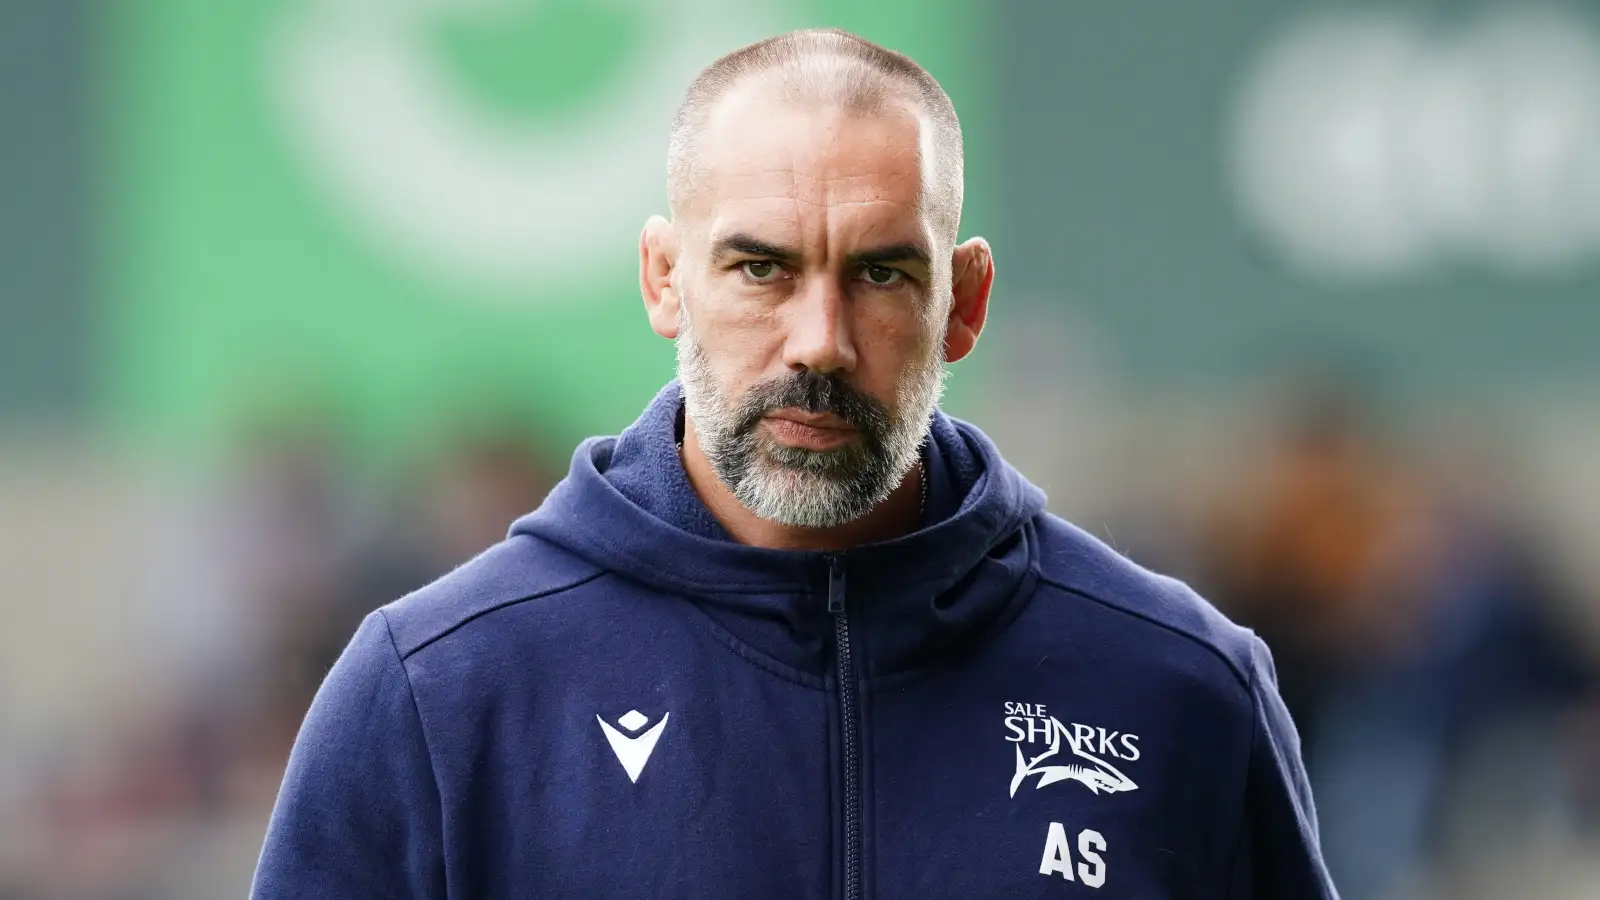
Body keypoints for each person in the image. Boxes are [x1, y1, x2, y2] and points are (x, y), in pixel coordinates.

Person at [251, 28, 1338, 899]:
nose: (820, 338)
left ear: (962, 303)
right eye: (761, 268)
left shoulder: (1181, 689)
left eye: (878, 274)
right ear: (664, 279)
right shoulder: (440, 694)